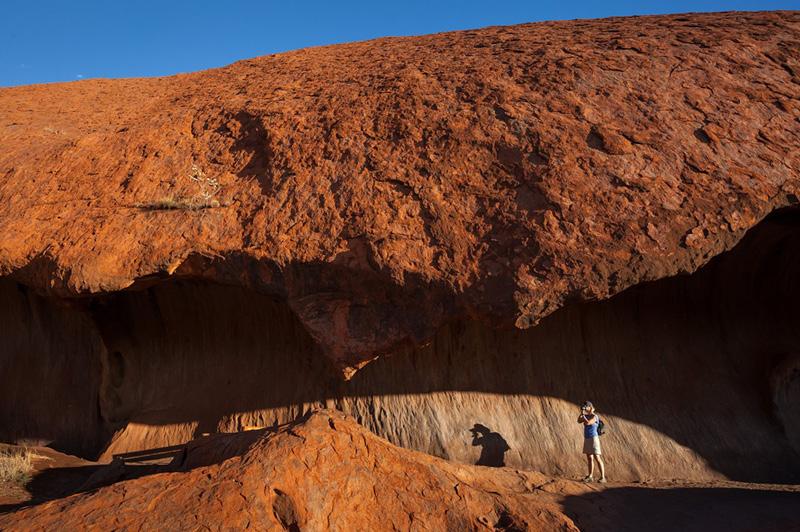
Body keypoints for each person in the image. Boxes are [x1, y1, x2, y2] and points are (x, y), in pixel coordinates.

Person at [577, 401, 606, 483]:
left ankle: (603, 477)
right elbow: (579, 420)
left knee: (597, 457)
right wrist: (581, 413)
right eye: (584, 407)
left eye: (586, 407)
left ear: (590, 407)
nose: (585, 408)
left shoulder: (595, 416)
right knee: (589, 458)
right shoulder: (586, 415)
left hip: (594, 438)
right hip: (587, 438)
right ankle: (590, 476)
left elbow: (588, 423)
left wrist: (584, 416)